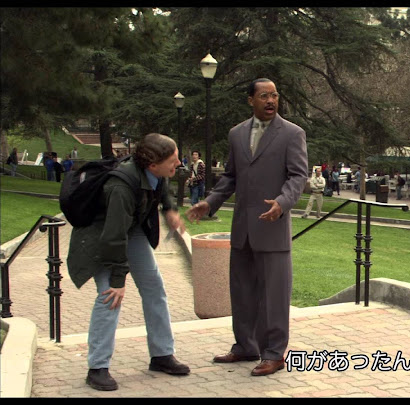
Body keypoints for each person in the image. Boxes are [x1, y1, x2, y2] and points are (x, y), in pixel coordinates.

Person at [185, 78, 308, 377]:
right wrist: (210, 202)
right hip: (242, 228)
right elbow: (231, 177)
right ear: (250, 100)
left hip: (273, 227)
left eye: (275, 95)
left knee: (274, 296)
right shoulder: (237, 134)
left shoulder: (292, 133)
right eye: (264, 95)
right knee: (242, 292)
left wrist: (282, 202)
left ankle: (274, 354)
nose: (271, 100)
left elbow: (298, 176)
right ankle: (245, 346)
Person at [66, 133, 190, 391]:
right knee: (109, 296)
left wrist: (169, 208)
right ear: (152, 164)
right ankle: (97, 367)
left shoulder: (154, 172)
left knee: (154, 287)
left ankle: (162, 354)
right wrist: (118, 279)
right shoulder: (120, 187)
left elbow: (161, 184)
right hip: (101, 235)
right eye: (173, 160)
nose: (178, 164)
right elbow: (114, 238)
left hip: (129, 229)